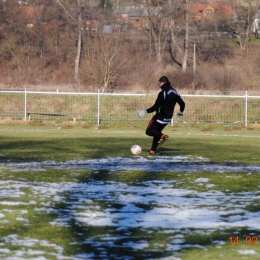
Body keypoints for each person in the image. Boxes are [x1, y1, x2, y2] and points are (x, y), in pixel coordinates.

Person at [137, 76, 185, 155]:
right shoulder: (175, 92)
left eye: (159, 83)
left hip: (160, 117)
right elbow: (182, 104)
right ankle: (152, 150)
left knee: (149, 131)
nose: (159, 85)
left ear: (162, 83)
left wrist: (144, 111)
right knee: (156, 132)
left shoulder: (163, 93)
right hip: (168, 119)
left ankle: (163, 136)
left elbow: (155, 107)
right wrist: (181, 111)